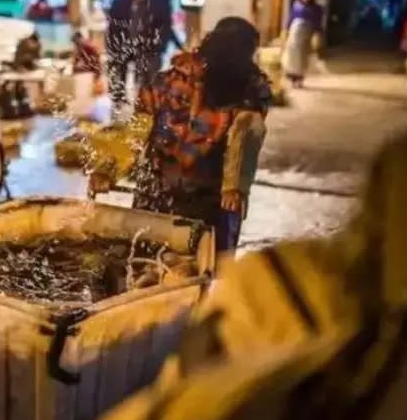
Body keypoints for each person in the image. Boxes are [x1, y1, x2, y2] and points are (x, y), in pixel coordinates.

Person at [92, 127, 407, 420]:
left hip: (201, 199)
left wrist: (232, 184)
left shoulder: (282, 294)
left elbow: (239, 139)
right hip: (180, 196)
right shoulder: (283, 287)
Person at [88, 17, 270, 252]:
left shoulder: (171, 79)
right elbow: (245, 136)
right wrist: (107, 170)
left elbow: (137, 127)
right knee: (195, 270)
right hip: (200, 199)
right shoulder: (251, 89)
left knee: (146, 265)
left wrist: (107, 168)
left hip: (173, 194)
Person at [105, 0, 183, 116]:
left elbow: (167, 28)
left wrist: (174, 47)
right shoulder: (119, 2)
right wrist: (112, 48)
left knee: (148, 79)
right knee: (116, 73)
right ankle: (118, 105)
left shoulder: (159, 3)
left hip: (149, 49)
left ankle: (146, 108)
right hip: (123, 46)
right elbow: (112, 28)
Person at [282, 0, 324, 88]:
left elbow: (318, 22)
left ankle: (300, 79)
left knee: (302, 59)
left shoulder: (317, 8)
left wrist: (317, 35)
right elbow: (291, 18)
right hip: (294, 34)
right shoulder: (296, 5)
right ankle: (293, 78)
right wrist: (286, 30)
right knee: (292, 58)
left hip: (306, 36)